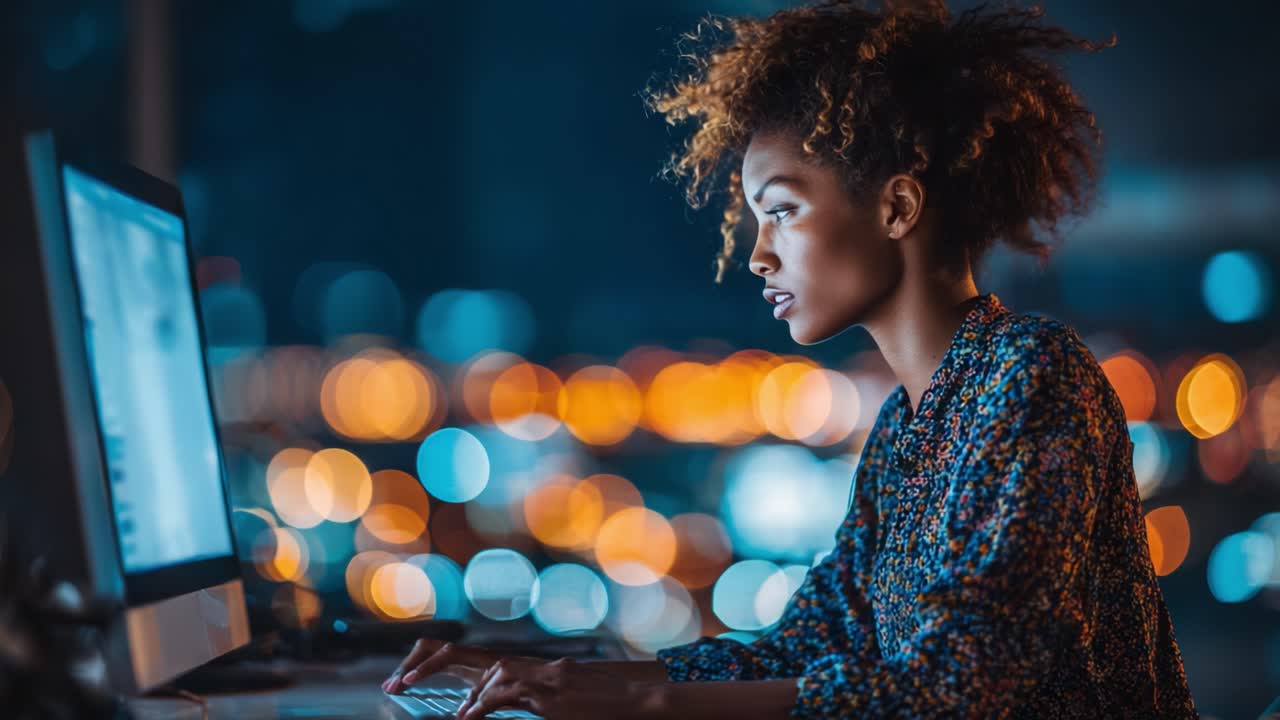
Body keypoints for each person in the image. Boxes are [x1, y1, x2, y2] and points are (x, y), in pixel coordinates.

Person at [383, 1, 1199, 717]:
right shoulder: (906, 430)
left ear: (897, 205)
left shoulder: (1032, 375)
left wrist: (643, 699)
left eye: (781, 212)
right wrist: (554, 674)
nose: (758, 257)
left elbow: (961, 686)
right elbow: (807, 647)